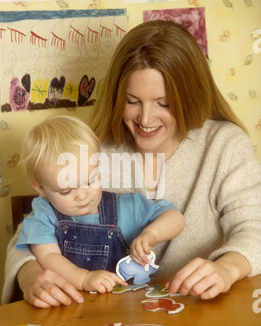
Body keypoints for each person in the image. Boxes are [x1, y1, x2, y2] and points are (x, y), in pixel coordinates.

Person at [3, 19, 261, 307]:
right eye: (132, 101)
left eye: (163, 103)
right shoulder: (90, 154)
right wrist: (29, 276)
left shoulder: (224, 145)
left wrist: (227, 268)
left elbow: (255, 228)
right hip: (107, 320)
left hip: (197, 312)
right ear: (116, 96)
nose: (146, 119)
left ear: (188, 97)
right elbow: (28, 239)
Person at [15, 115, 185, 295]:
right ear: (40, 187)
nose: (82, 195)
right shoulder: (44, 216)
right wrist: (84, 278)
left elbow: (175, 217)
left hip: (127, 306)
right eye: (65, 191)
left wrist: (152, 233)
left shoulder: (123, 207)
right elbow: (48, 257)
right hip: (71, 307)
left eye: (90, 181)